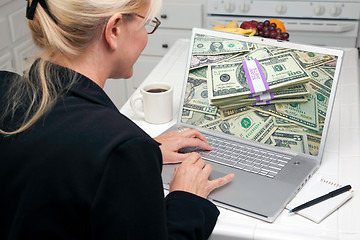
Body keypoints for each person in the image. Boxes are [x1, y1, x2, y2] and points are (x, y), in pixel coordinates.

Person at [0, 0, 234, 239]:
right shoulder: (121, 148)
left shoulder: (4, 87)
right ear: (114, 30)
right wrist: (187, 199)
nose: (146, 36)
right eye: (146, 25)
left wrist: (139, 153)